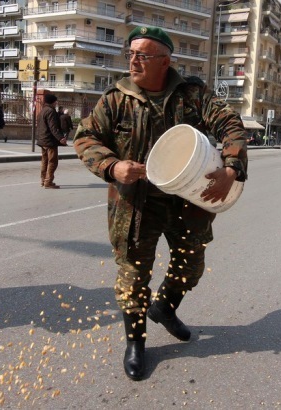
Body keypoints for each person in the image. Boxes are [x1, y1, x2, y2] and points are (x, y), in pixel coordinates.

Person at [73, 26, 248, 381]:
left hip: (188, 199)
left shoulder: (193, 95)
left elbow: (229, 124)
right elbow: (86, 137)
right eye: (131, 54)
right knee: (134, 275)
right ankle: (136, 342)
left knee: (192, 267)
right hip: (137, 204)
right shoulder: (116, 99)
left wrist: (232, 166)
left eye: (143, 55)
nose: (134, 61)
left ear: (165, 61)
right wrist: (113, 165)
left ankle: (165, 308)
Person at [37, 94, 67, 189]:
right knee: (53, 161)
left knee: (45, 161)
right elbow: (53, 127)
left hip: (42, 140)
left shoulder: (42, 110)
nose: (56, 103)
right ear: (53, 102)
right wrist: (60, 138)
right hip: (49, 141)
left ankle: (43, 180)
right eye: (56, 101)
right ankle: (48, 181)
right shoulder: (50, 111)